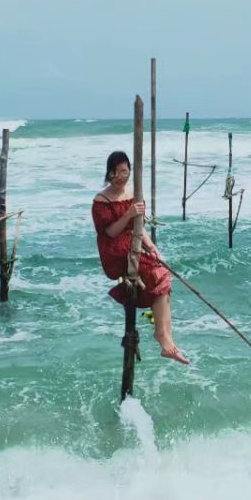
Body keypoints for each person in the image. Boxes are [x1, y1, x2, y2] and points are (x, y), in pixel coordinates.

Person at [91, 151, 189, 364]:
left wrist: (152, 247)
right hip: (114, 249)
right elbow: (109, 233)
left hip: (132, 242)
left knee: (162, 275)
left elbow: (139, 227)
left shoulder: (134, 193)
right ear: (110, 173)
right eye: (118, 172)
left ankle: (166, 338)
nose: (122, 176)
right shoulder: (101, 200)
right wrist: (128, 214)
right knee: (157, 273)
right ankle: (163, 337)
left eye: (126, 171)